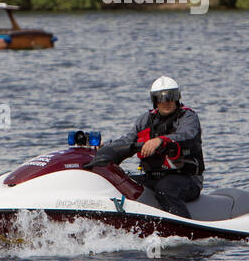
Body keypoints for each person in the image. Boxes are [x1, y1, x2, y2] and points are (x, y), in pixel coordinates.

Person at [87, 76, 204, 218]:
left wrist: (161, 141)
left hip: (187, 179)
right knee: (119, 182)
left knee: (165, 189)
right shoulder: (145, 120)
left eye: (171, 96)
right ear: (155, 100)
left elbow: (187, 135)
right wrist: (106, 150)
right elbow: (128, 140)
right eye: (161, 98)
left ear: (177, 97)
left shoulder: (188, 117)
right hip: (152, 177)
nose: (167, 101)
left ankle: (185, 232)